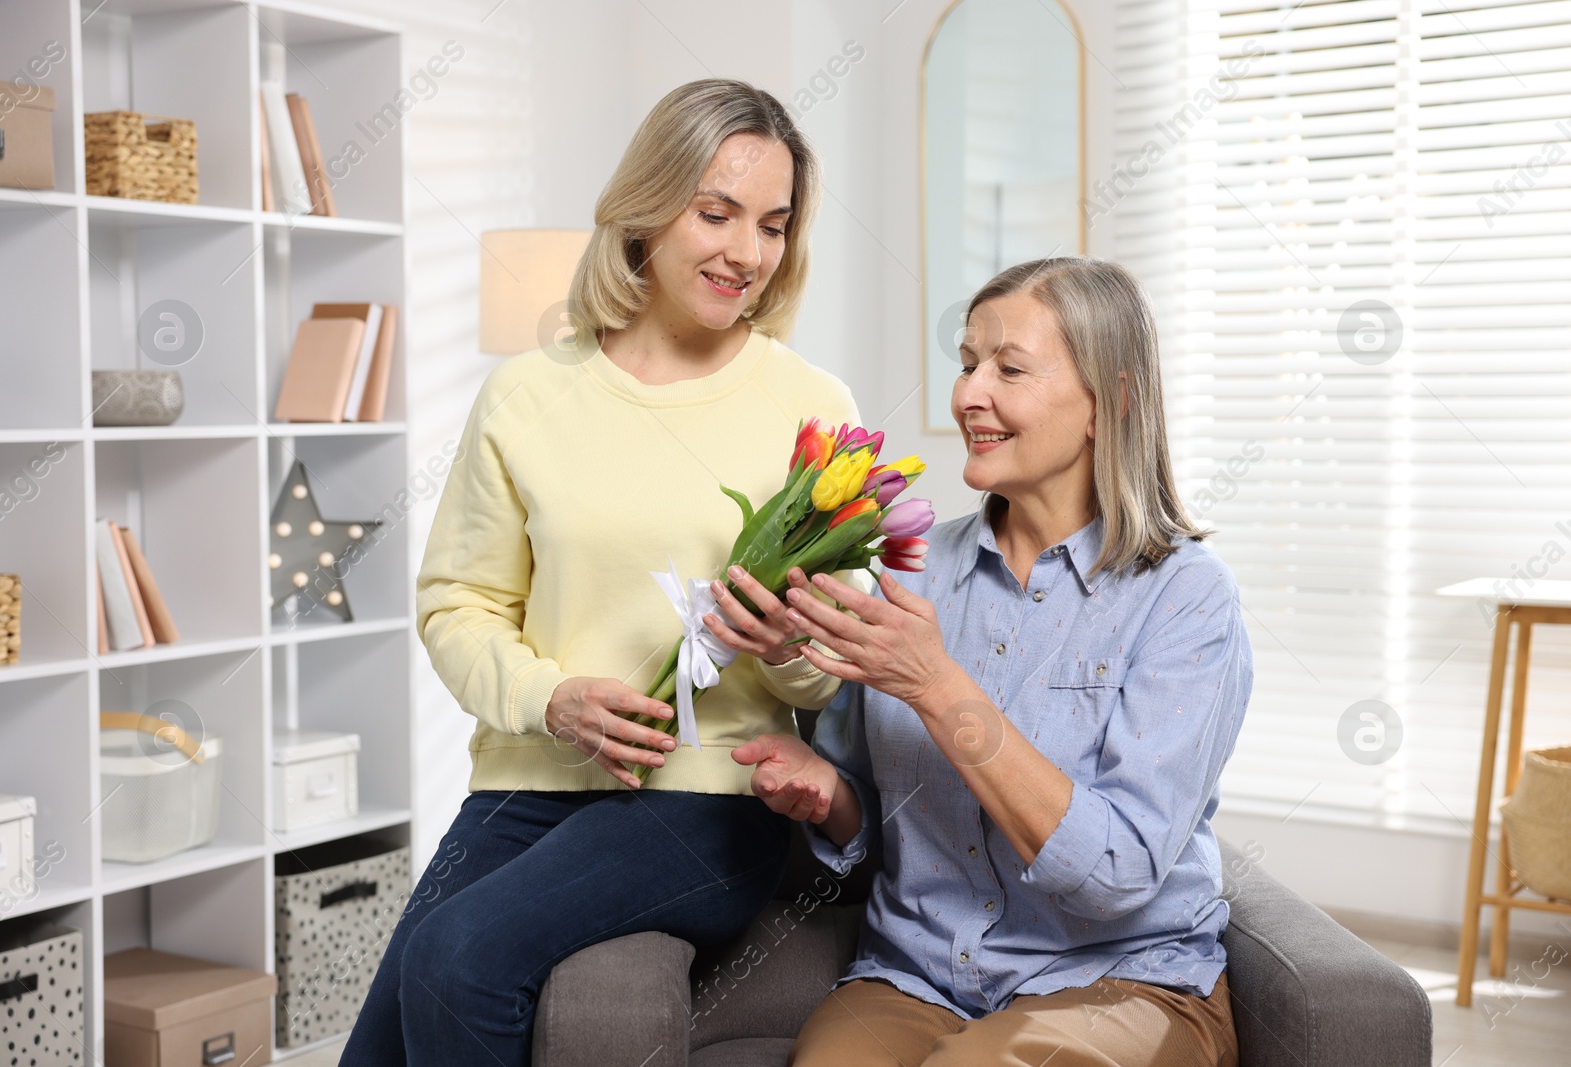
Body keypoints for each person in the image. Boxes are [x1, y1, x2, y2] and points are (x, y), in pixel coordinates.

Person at [341, 78, 864, 1066]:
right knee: (372, 1049)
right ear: (647, 206)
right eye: (715, 212)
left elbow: (833, 664)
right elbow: (458, 602)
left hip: (708, 798)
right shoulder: (529, 393)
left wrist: (790, 643)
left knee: (457, 958)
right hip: (527, 781)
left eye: (771, 224)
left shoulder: (810, 403)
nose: (746, 252)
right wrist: (551, 698)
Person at [733, 257, 1252, 1066]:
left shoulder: (1185, 598)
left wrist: (938, 686)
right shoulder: (908, 570)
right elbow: (871, 817)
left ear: (1107, 403)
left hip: (1118, 980)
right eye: (969, 362)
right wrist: (827, 792)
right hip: (916, 978)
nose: (970, 392)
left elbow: (1120, 869)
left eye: (1009, 368)